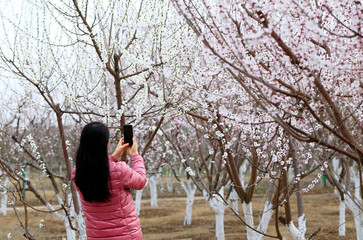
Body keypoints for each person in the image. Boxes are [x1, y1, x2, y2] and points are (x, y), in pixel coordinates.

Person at [72, 122, 147, 240]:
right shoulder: (120, 170)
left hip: (96, 236)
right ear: (106, 144)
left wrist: (114, 156)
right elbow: (141, 181)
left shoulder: (77, 173)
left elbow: (98, 170)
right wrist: (135, 155)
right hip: (126, 235)